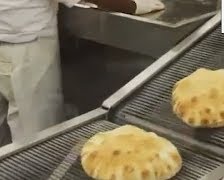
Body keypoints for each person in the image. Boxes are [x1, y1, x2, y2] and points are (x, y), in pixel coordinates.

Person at [0, 0, 164, 147]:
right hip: (27, 44)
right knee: (37, 133)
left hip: (9, 32)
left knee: (14, 124)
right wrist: (134, 5)